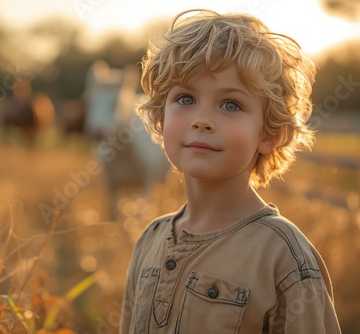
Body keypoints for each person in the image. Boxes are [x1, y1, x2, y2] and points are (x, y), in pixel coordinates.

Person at [120, 9, 342, 333]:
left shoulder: (283, 257)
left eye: (230, 105)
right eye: (185, 98)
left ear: (269, 133)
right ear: (161, 117)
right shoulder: (149, 241)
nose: (202, 119)